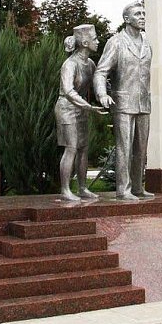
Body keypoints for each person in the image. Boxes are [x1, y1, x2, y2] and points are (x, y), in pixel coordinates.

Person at [93, 2, 155, 200]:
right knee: (124, 148)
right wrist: (102, 94)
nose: (142, 16)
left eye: (143, 13)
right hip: (123, 103)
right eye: (138, 14)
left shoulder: (147, 43)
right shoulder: (116, 42)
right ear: (126, 19)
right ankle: (123, 189)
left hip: (143, 102)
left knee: (141, 149)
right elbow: (101, 71)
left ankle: (137, 187)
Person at [55, 24, 106, 201]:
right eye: (95, 39)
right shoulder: (70, 64)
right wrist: (88, 106)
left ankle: (83, 188)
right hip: (66, 108)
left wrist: (104, 97)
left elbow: (96, 86)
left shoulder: (90, 64)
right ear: (84, 42)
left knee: (83, 148)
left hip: (81, 108)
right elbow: (68, 91)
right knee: (71, 148)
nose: (98, 42)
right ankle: (65, 190)